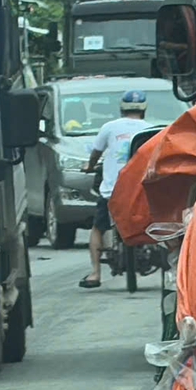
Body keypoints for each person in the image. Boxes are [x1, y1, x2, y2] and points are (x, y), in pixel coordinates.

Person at [80, 89, 157, 289]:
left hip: (112, 191)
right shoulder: (151, 129)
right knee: (159, 224)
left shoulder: (109, 127)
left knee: (98, 227)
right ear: (144, 109)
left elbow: (96, 153)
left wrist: (89, 166)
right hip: (142, 192)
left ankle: (95, 274)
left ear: (122, 108)